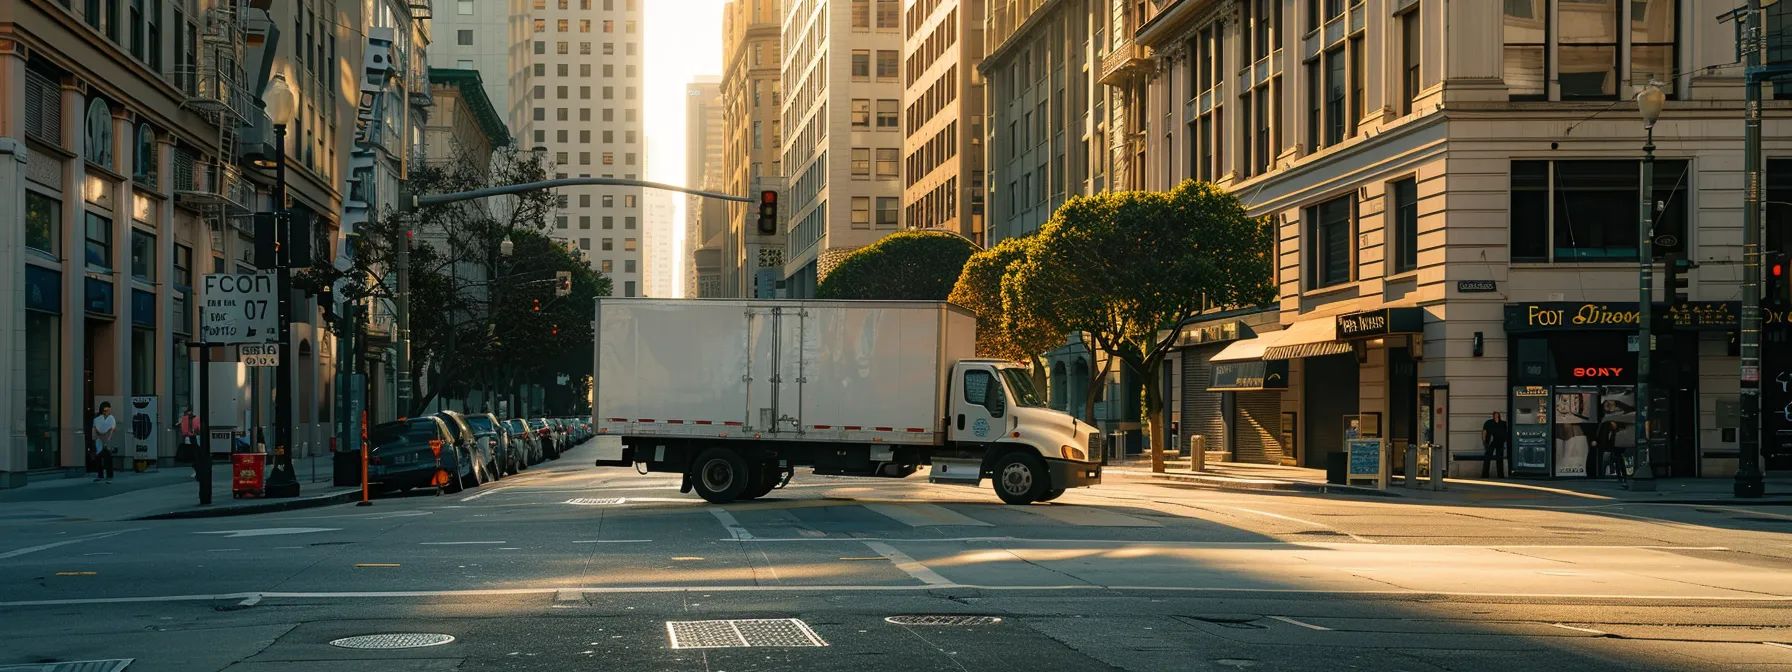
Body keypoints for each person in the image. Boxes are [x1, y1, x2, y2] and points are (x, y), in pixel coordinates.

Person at [91, 402, 116, 483]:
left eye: (108, 409)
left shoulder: (111, 418)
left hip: (106, 439)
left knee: (107, 457)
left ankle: (109, 475)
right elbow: (94, 428)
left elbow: (111, 429)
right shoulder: (97, 419)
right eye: (105, 409)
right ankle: (100, 475)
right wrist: (94, 437)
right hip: (99, 440)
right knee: (99, 458)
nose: (107, 411)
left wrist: (108, 439)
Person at [1481, 411, 1509, 478]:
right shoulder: (1489, 423)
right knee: (1487, 457)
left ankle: (1500, 474)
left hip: (1500, 441)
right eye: (1495, 415)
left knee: (1499, 458)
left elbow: (1506, 433)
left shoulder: (1503, 423)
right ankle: (1485, 474)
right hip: (1491, 441)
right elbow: (1484, 432)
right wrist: (1485, 442)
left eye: (1497, 415)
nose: (1496, 416)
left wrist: (1504, 441)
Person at [179, 409, 202, 479]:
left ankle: (196, 470)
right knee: (197, 455)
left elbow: (183, 431)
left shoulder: (183, 420)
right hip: (196, 438)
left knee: (194, 455)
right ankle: (198, 471)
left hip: (189, 438)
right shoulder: (196, 419)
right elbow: (199, 428)